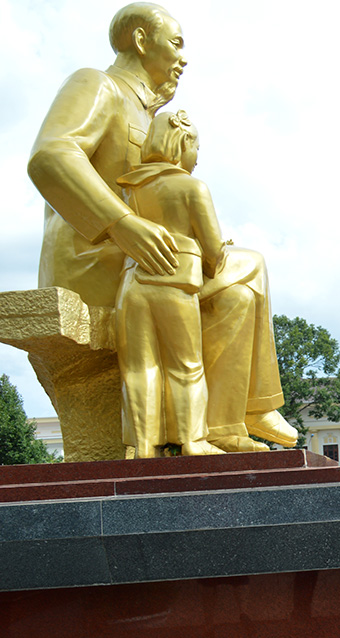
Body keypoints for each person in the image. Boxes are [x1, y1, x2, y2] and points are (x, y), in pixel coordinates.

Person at [27, 3, 296, 454]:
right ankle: (251, 407)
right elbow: (51, 156)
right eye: (176, 44)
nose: (183, 59)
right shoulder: (98, 84)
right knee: (247, 267)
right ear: (139, 39)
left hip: (145, 265)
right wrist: (121, 224)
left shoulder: (148, 115)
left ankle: (223, 424)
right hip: (99, 263)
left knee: (237, 285)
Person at [113, 109, 229, 458]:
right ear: (181, 144)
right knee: (186, 365)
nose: (197, 156)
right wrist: (219, 258)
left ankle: (143, 444)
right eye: (196, 147)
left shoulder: (130, 189)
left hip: (132, 285)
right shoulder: (193, 187)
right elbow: (212, 248)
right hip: (175, 284)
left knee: (138, 368)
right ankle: (193, 441)